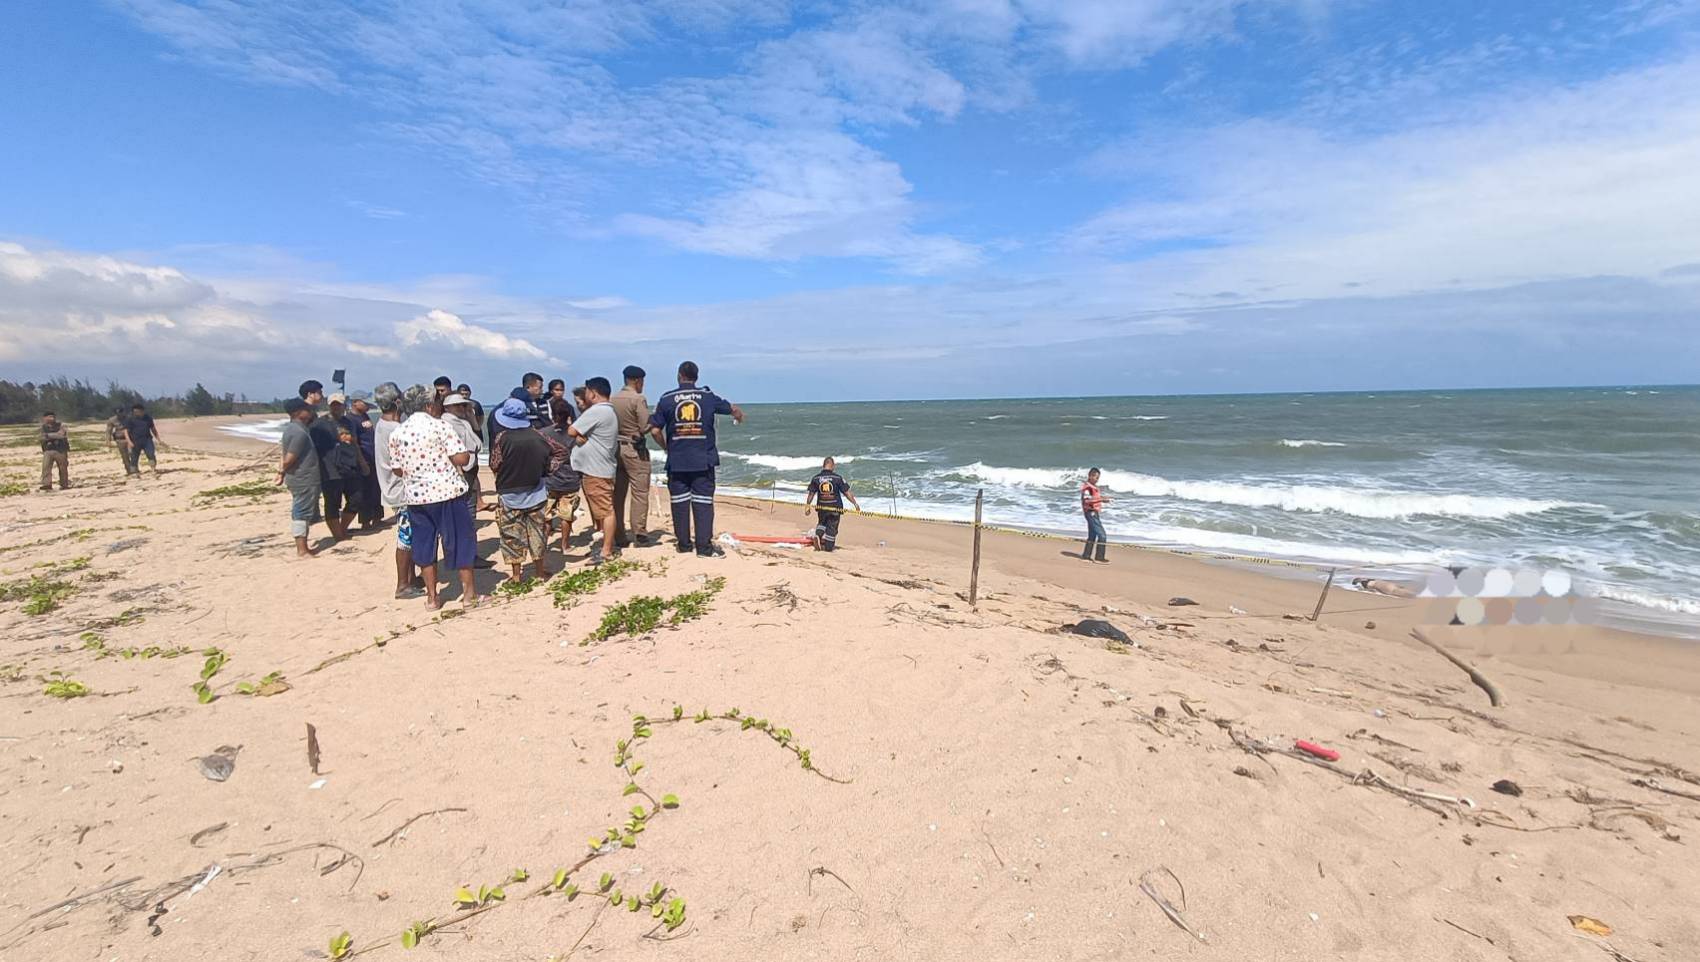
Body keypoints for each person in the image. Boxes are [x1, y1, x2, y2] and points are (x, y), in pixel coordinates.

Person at [388, 396, 479, 610]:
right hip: (447, 493)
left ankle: (432, 597)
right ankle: (469, 595)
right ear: (429, 405)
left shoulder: (397, 433)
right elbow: (462, 459)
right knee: (460, 542)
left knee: (424, 544)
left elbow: (397, 469)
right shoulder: (440, 426)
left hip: (417, 497)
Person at [648, 361, 744, 558]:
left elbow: (655, 430)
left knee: (679, 503)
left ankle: (683, 545)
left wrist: (667, 447)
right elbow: (732, 409)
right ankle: (704, 548)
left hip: (677, 461)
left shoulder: (666, 399)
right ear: (696, 377)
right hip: (703, 459)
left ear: (679, 376)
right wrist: (739, 416)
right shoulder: (707, 396)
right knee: (703, 503)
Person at [489, 398, 553, 582]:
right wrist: (547, 470)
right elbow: (559, 451)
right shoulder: (538, 435)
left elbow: (494, 464)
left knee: (511, 534)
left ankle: (516, 576)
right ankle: (540, 572)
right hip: (536, 491)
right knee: (538, 533)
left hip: (509, 493)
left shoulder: (502, 438)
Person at [371, 384, 421, 598]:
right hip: (401, 491)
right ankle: (402, 584)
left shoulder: (382, 425)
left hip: (393, 488)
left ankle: (410, 577)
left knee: (409, 535)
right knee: (406, 537)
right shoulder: (395, 430)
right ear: (397, 402)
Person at [568, 377, 620, 565]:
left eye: (587, 391)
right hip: (599, 468)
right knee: (604, 509)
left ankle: (606, 550)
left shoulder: (597, 411)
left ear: (593, 393)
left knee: (605, 510)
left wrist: (580, 434)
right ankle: (607, 545)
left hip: (596, 469)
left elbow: (571, 431)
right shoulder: (607, 411)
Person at [610, 365, 656, 548]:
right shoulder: (637, 399)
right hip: (634, 447)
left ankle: (619, 533)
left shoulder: (613, 399)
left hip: (616, 448)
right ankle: (640, 532)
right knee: (639, 491)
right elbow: (645, 426)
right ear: (638, 381)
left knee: (618, 494)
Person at [275, 399, 323, 557]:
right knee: (301, 513)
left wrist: (281, 473)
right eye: (306, 410)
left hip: (301, 477)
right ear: (298, 413)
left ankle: (304, 547)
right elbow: (289, 458)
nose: (310, 412)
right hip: (303, 479)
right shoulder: (298, 432)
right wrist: (281, 471)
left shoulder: (293, 429)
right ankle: (301, 550)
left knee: (303, 512)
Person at [538, 396, 582, 557]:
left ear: (553, 415)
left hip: (549, 479)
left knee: (546, 515)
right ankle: (565, 545)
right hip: (571, 479)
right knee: (566, 515)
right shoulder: (575, 433)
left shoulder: (543, 433)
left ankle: (543, 544)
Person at [312, 395, 353, 539]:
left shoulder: (348, 422)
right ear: (329, 405)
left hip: (349, 466)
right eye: (333, 405)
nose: (336, 407)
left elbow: (355, 444)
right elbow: (313, 448)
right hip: (329, 469)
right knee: (332, 503)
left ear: (344, 405)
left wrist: (361, 463)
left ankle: (343, 528)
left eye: (339, 404)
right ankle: (338, 534)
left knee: (356, 498)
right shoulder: (319, 424)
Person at [804, 457, 860, 552]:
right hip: (835, 508)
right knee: (832, 528)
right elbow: (847, 493)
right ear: (833, 466)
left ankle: (818, 535)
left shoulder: (816, 478)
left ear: (823, 465)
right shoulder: (837, 478)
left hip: (821, 507)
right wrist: (855, 503)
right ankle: (828, 547)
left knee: (822, 523)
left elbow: (811, 494)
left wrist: (807, 506)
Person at [346, 397, 384, 528]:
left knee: (375, 489)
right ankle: (366, 521)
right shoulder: (351, 419)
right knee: (365, 490)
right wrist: (362, 462)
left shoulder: (365, 416)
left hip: (373, 457)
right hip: (363, 459)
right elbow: (355, 442)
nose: (368, 406)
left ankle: (377, 518)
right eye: (365, 403)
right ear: (355, 403)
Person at [1080, 467, 1109, 564]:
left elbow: (1092, 498)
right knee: (1102, 535)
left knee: (1092, 535)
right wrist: (1101, 500)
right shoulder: (1087, 487)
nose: (1097, 479)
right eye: (1096, 477)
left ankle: (1086, 555)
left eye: (1098, 478)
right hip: (1091, 512)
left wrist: (1102, 498)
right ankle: (1099, 557)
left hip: (1093, 512)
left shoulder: (1092, 487)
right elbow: (1087, 500)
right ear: (1090, 476)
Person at [124, 403, 162, 476]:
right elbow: (126, 431)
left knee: (151, 454)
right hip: (135, 441)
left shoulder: (148, 418)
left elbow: (153, 429)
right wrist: (129, 441)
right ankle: (134, 472)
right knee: (134, 457)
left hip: (147, 440)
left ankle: (153, 469)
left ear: (142, 411)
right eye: (134, 412)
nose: (136, 413)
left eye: (137, 411)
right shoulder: (130, 419)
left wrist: (158, 439)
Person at [39, 412, 70, 491]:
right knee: (46, 468)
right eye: (49, 417)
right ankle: (47, 484)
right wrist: (53, 436)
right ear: (44, 418)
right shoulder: (43, 427)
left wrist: (48, 436)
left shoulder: (61, 425)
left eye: (52, 417)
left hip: (60, 450)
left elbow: (61, 435)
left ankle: (64, 484)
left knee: (63, 468)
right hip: (48, 450)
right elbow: (42, 437)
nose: (51, 418)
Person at [105, 407, 135, 477]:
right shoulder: (112, 420)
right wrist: (108, 441)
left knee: (132, 454)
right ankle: (129, 470)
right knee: (125, 456)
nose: (120, 414)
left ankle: (134, 468)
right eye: (118, 413)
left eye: (121, 412)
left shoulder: (128, 418)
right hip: (119, 439)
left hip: (129, 439)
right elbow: (108, 431)